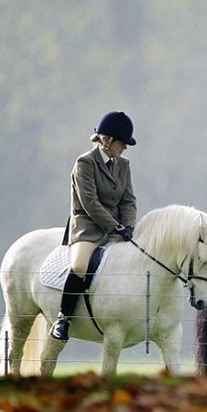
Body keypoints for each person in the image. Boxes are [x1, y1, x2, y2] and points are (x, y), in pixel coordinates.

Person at [49, 110, 138, 341]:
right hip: (88, 227)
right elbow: (90, 202)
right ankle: (63, 318)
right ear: (107, 141)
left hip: (117, 227)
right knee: (79, 266)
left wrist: (128, 225)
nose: (125, 148)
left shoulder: (123, 165)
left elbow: (128, 200)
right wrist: (114, 226)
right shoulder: (84, 163)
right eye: (122, 143)